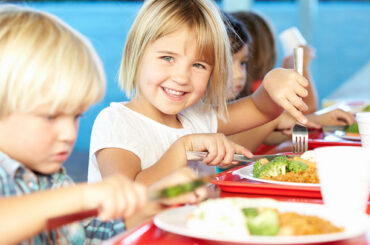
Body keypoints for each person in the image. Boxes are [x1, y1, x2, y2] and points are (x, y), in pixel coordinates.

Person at [0, 5, 205, 244]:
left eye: (76, 116)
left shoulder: (50, 177)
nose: (68, 134)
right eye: (50, 117)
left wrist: (150, 203)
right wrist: (81, 196)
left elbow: (83, 236)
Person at [88, 0, 312, 187]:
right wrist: (183, 148)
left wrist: (271, 83)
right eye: (168, 58)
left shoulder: (197, 116)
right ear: (136, 55)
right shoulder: (116, 123)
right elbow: (128, 196)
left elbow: (259, 108)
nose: (182, 77)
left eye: (199, 65)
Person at [225, 11, 355, 154]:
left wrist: (318, 121)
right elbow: (235, 146)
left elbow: (268, 134)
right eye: (227, 62)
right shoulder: (256, 92)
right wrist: (299, 65)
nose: (238, 74)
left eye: (243, 63)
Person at [231, 10, 318, 114]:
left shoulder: (257, 88)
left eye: (242, 63)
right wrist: (301, 66)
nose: (239, 74)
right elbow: (305, 110)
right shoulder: (262, 91)